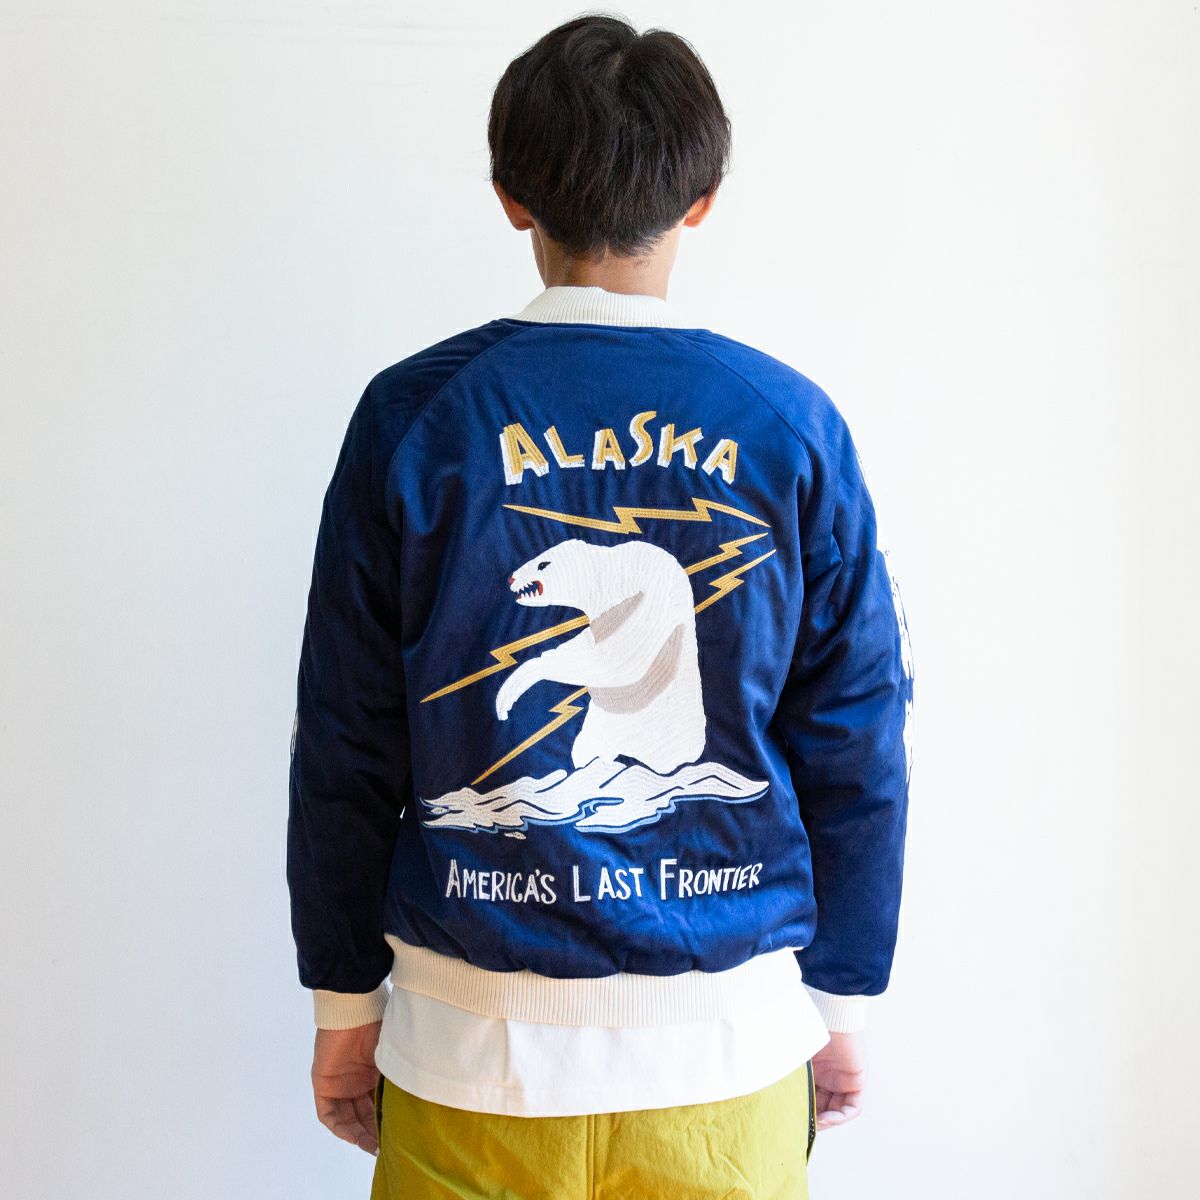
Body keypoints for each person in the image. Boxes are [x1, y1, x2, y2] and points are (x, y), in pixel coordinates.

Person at [287, 13, 914, 1199]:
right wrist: (841, 1001)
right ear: (703, 198)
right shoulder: (790, 427)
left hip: (470, 1062)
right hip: (727, 1066)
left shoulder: (415, 420)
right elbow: (860, 738)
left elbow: (344, 740)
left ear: (510, 196)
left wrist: (343, 1001)